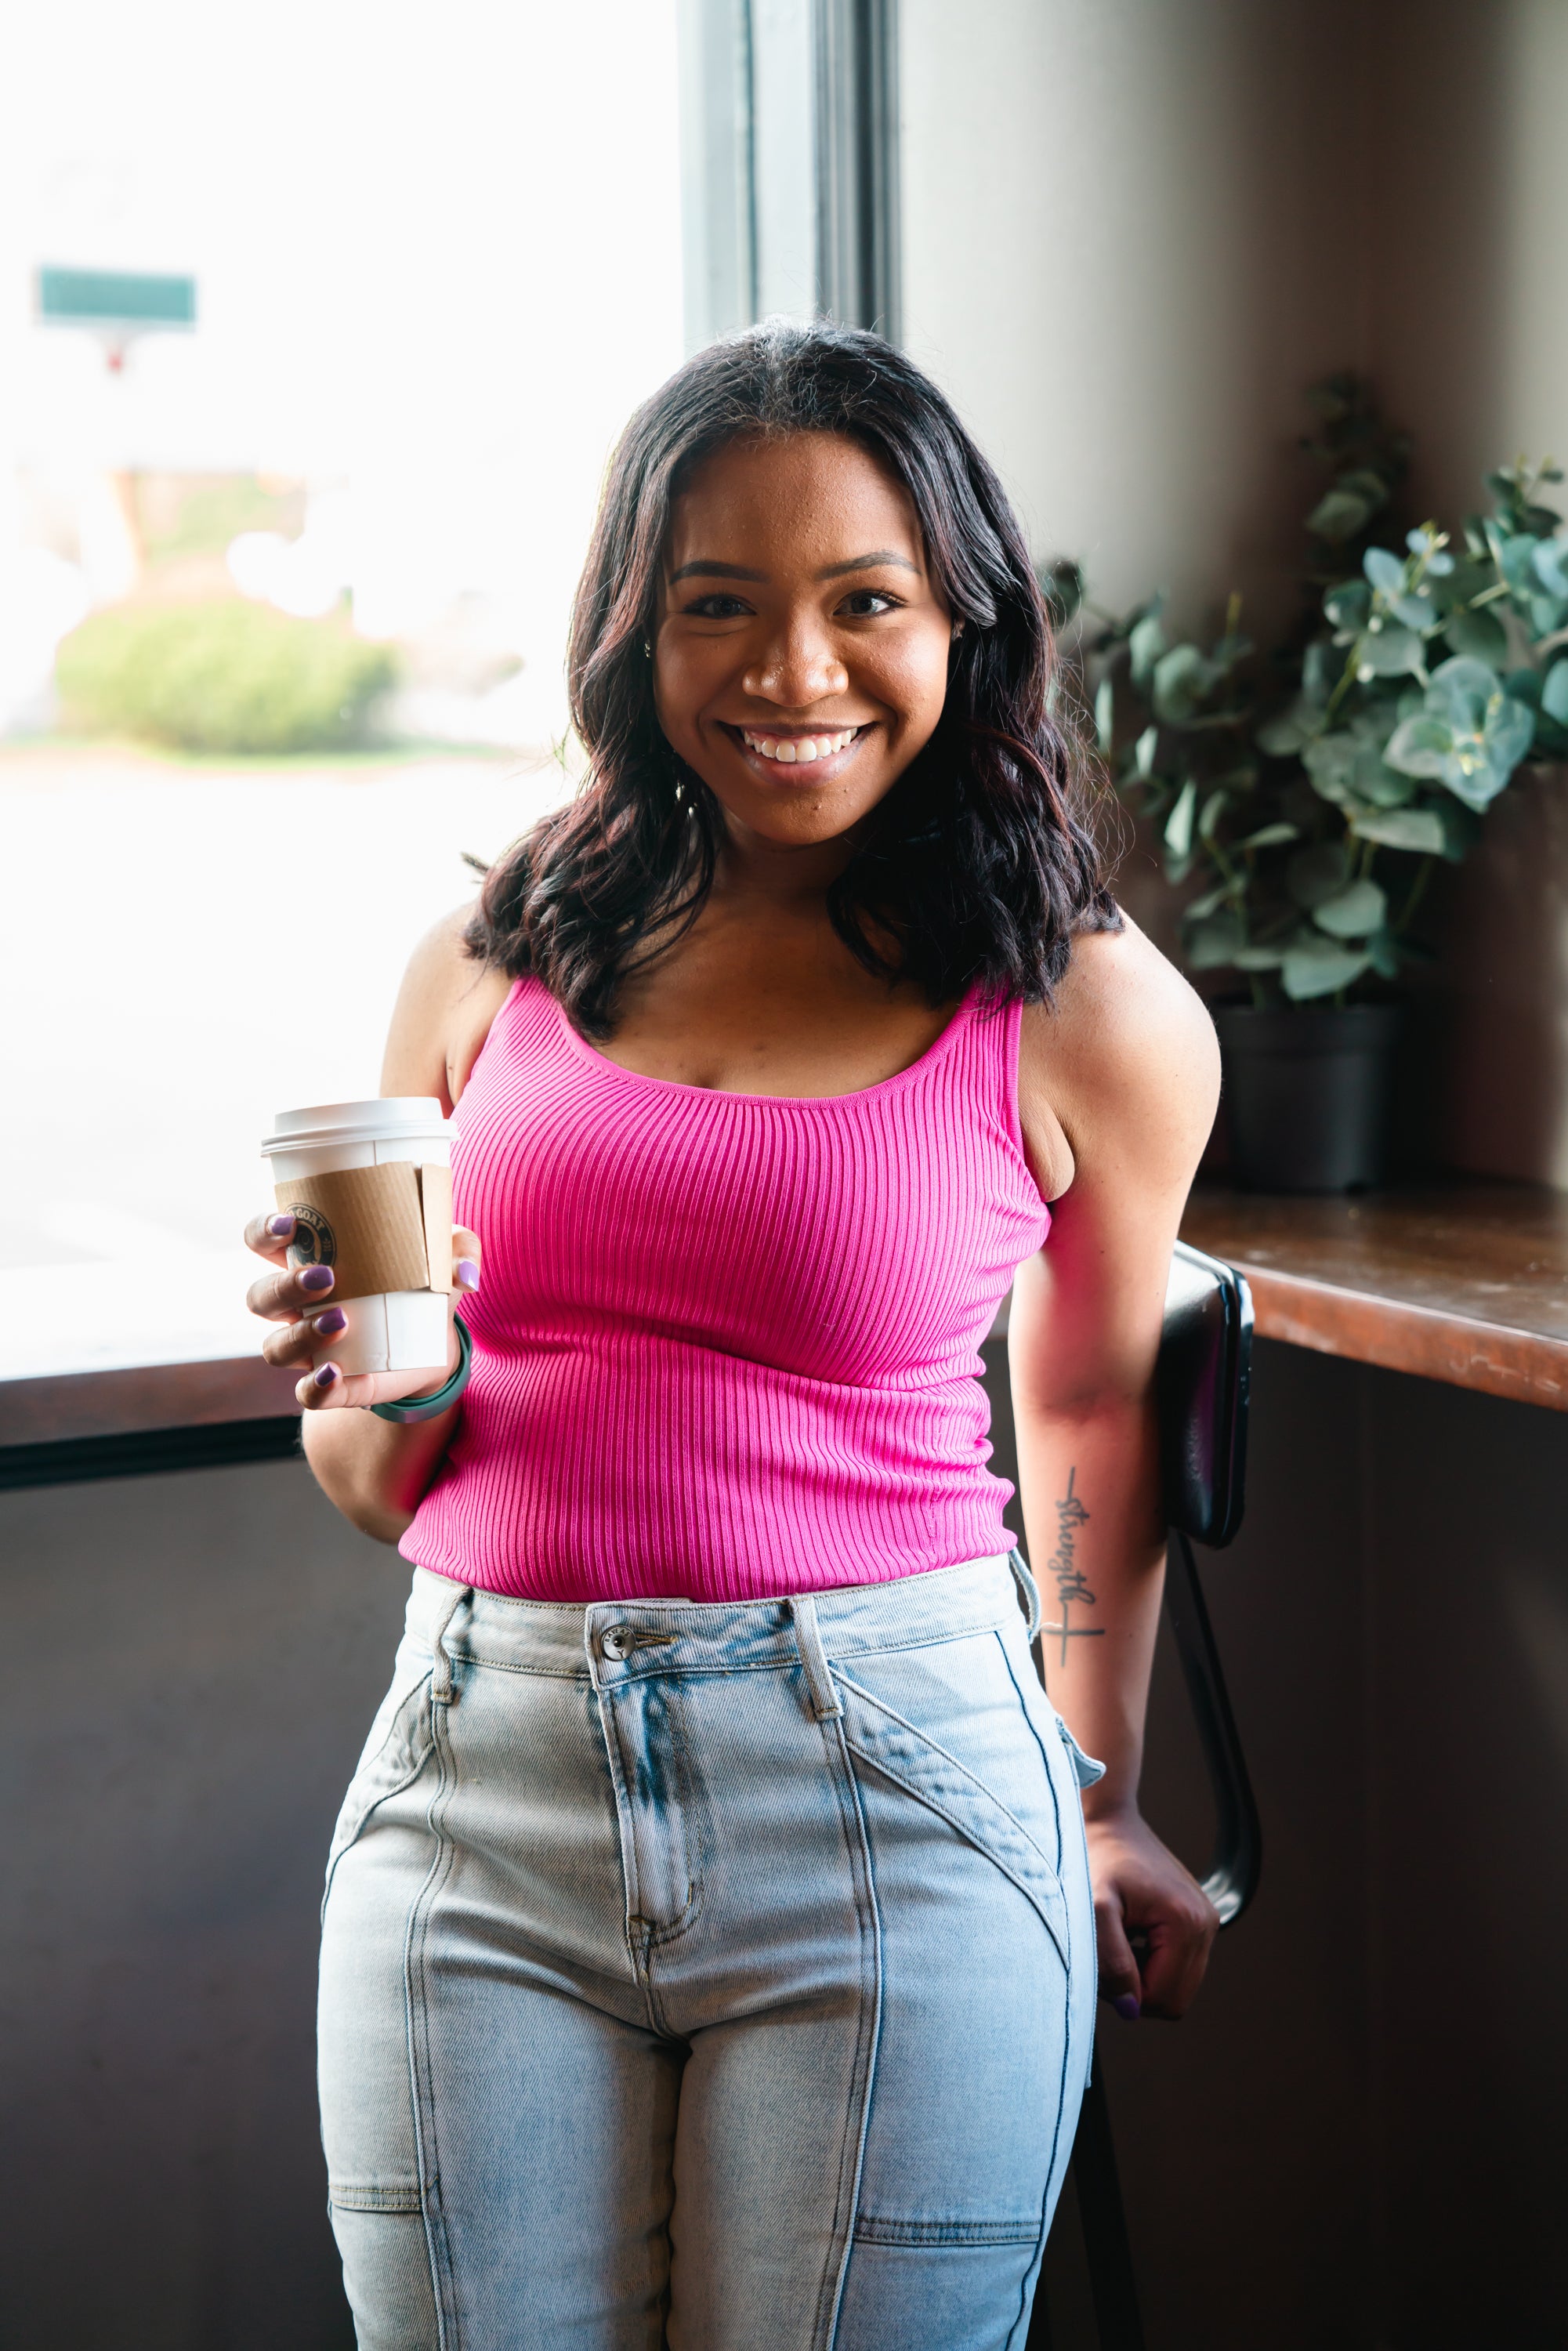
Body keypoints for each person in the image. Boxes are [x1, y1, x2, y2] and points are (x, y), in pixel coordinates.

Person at [245, 321, 1220, 2351]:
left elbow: (1088, 1406)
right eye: (719, 607)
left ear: (962, 619)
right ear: (634, 633)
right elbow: (375, 1484)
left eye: (863, 601)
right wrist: (366, 1353)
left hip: (901, 1787)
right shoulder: (491, 952)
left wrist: (1102, 1783)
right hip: (475, 1775)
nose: (792, 673)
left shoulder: (1084, 1011)